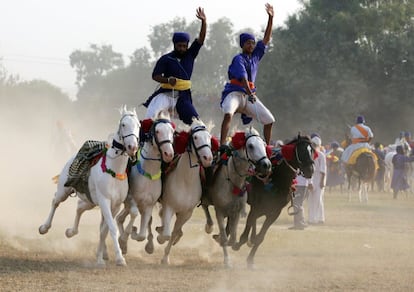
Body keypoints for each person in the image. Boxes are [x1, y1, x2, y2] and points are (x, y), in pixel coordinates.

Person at [219, 3, 275, 147]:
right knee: (228, 113)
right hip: (235, 93)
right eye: (248, 43)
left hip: (249, 96)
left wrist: (271, 18)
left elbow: (266, 39)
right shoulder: (238, 58)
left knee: (269, 120)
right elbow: (243, 78)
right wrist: (250, 94)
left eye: (252, 43)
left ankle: (266, 148)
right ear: (242, 45)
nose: (251, 45)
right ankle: (222, 144)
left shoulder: (255, 57)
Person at [142, 7, 207, 125]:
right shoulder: (166, 58)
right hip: (166, 94)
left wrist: (204, 22)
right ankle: (143, 138)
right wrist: (167, 80)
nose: (182, 48)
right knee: (150, 119)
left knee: (197, 123)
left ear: (187, 45)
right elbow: (155, 76)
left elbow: (201, 39)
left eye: (184, 46)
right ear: (174, 45)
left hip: (183, 96)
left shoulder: (190, 55)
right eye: (179, 46)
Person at [308, 136, 326, 225]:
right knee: (311, 199)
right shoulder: (309, 154)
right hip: (311, 178)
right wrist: (309, 182)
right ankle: (311, 219)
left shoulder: (321, 155)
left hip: (319, 178)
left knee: (318, 199)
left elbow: (323, 170)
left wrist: (322, 181)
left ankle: (320, 218)